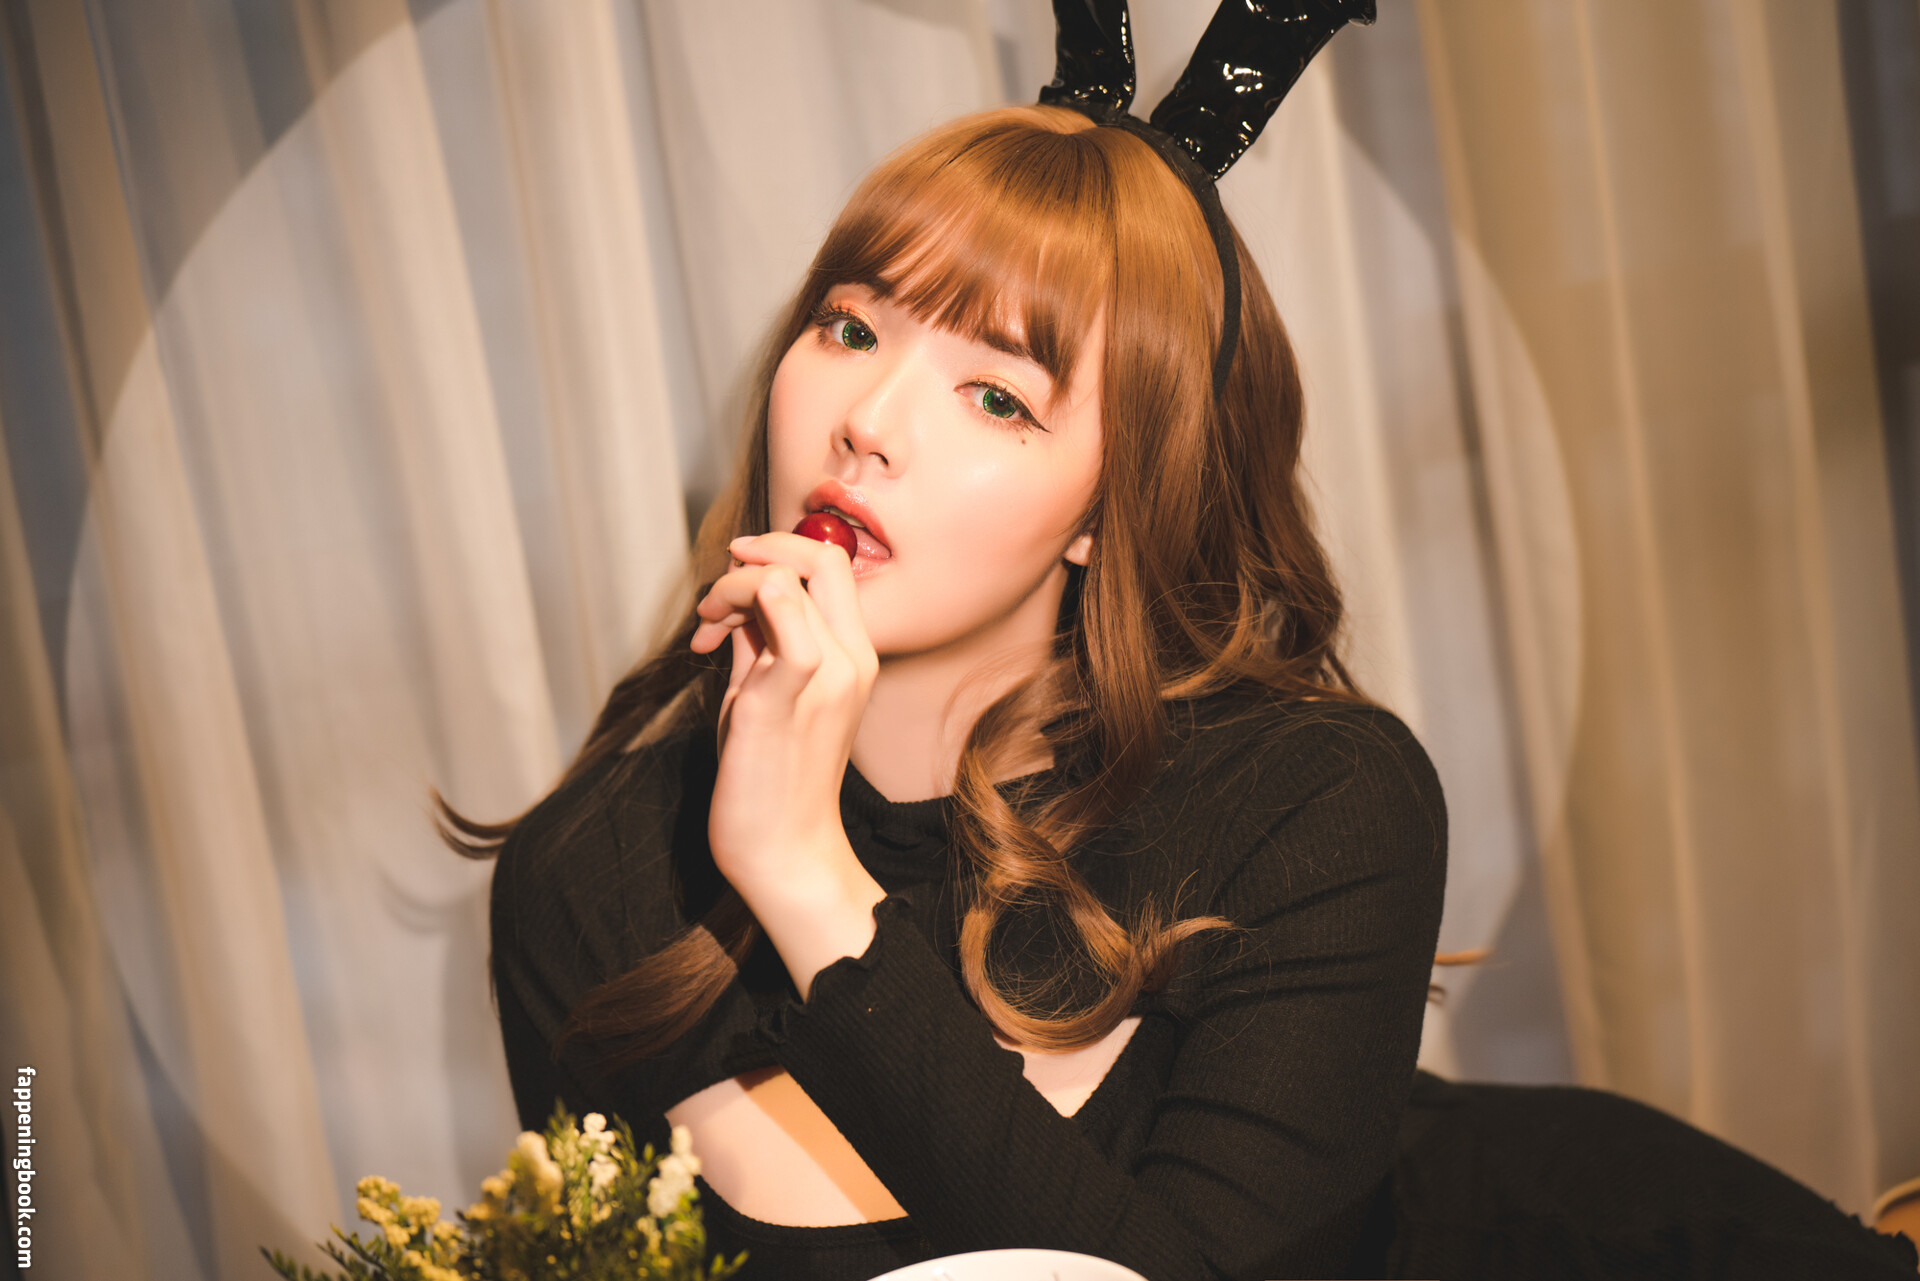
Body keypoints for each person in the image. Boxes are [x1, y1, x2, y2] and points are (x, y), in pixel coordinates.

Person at [451, 6, 1920, 1280]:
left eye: (998, 395)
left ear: (1113, 508)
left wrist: (808, 878)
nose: (869, 422)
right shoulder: (594, 879)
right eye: (850, 327)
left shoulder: (1309, 800)